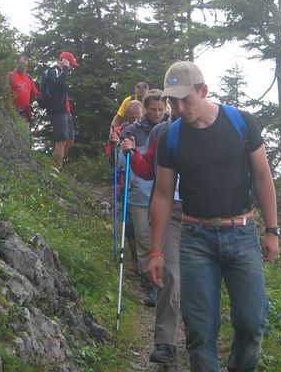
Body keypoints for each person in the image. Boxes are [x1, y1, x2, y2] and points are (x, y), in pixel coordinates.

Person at [149, 61, 279, 372]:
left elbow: (263, 177)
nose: (179, 108)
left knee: (252, 323)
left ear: (204, 90)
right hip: (195, 239)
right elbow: (163, 194)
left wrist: (272, 230)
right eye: (173, 101)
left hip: (242, 233)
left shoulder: (241, 123)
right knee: (199, 331)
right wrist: (156, 251)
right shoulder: (171, 136)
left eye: (186, 99)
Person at [119, 101, 182, 364]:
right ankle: (166, 342)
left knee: (196, 276)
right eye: (174, 99)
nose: (180, 104)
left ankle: (201, 339)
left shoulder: (210, 129)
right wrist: (134, 153)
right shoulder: (161, 132)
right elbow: (146, 169)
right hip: (170, 209)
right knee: (170, 273)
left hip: (202, 211)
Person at [113, 89, 168, 308]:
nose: (157, 113)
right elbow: (120, 162)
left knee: (166, 239)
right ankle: (150, 283)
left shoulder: (171, 129)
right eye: (153, 109)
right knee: (145, 239)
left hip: (165, 193)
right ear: (146, 108)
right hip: (139, 193)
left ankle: (167, 282)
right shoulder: (132, 130)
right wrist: (123, 150)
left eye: (161, 109)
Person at [106, 100, 143, 271]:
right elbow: (113, 161)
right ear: (126, 115)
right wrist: (115, 145)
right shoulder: (120, 132)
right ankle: (135, 257)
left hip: (144, 184)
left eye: (138, 117)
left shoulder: (147, 131)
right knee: (129, 223)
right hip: (126, 183)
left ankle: (143, 257)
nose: (135, 120)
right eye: (132, 117)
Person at [45, 51, 79, 171]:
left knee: (70, 139)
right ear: (64, 60)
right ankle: (56, 168)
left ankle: (58, 166)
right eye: (71, 64)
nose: (71, 68)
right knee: (62, 138)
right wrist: (64, 68)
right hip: (57, 110)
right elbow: (58, 85)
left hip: (65, 110)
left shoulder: (61, 72)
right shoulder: (54, 70)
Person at [6, 55, 40, 123]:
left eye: (25, 65)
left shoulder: (29, 78)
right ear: (17, 64)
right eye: (22, 64)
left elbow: (36, 94)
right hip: (11, 112)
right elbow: (3, 90)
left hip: (24, 114)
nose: (23, 67)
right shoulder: (10, 75)